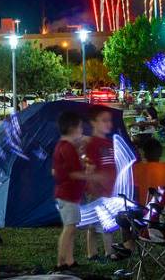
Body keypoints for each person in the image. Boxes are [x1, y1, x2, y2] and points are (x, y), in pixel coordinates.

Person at [53, 110, 92, 272]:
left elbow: (59, 170)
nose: (82, 130)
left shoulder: (65, 146)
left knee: (71, 227)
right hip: (68, 195)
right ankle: (60, 263)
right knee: (69, 228)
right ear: (72, 128)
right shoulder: (67, 147)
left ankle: (70, 260)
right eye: (80, 127)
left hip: (69, 195)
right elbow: (74, 172)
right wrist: (91, 174)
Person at [82, 108, 119, 262]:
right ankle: (98, 253)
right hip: (96, 190)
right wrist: (94, 185)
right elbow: (89, 168)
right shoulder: (92, 144)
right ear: (93, 123)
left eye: (109, 120)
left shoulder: (110, 143)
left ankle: (103, 252)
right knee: (97, 223)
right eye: (104, 120)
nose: (108, 123)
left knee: (105, 221)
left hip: (110, 188)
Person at [132, 137, 165, 206]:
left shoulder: (137, 168)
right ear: (160, 153)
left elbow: (134, 190)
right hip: (160, 208)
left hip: (142, 208)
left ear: (144, 154)